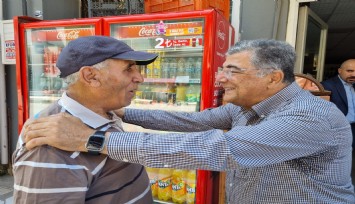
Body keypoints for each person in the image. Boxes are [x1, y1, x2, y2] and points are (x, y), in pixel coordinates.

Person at [23, 39, 355, 203]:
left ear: (272, 78)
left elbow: (220, 150)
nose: (221, 78)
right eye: (130, 69)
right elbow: (193, 123)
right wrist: (118, 113)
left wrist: (93, 139)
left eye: (232, 71)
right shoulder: (248, 106)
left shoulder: (309, 118)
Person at [12, 36, 158, 203]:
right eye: (129, 69)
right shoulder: (49, 146)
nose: (139, 78)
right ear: (91, 76)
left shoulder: (103, 113)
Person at [321, 59, 355, 184]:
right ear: (340, 71)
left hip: (353, 129)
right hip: (337, 131)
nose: (353, 74)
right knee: (337, 164)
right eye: (349, 71)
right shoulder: (326, 86)